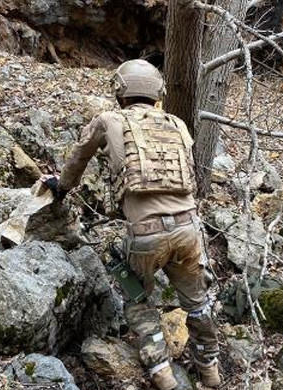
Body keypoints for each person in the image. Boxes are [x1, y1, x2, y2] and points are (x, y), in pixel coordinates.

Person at [42, 59, 220, 390]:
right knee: (197, 303)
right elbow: (191, 175)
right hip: (189, 229)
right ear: (157, 93)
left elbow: (79, 158)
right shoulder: (178, 125)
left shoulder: (109, 120)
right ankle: (209, 368)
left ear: (120, 91)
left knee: (137, 297)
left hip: (146, 235)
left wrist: (61, 188)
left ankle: (162, 372)